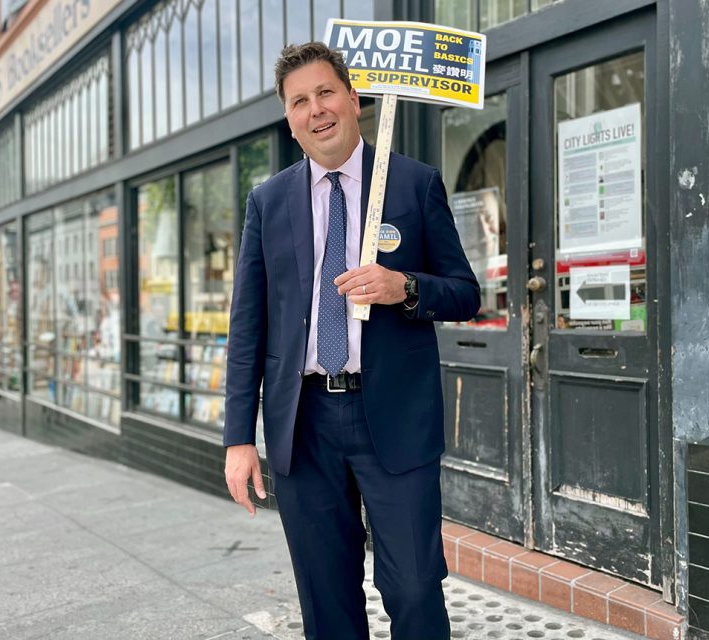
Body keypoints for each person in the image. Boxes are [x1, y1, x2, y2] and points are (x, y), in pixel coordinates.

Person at [223, 42, 480, 639]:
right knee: (326, 600)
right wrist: (239, 437)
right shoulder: (268, 202)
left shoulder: (415, 184)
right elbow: (247, 328)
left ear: (353, 98)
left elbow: (465, 292)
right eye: (300, 101)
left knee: (415, 588)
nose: (317, 110)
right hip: (303, 424)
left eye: (325, 92)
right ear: (289, 120)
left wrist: (405, 287)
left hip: (393, 417)